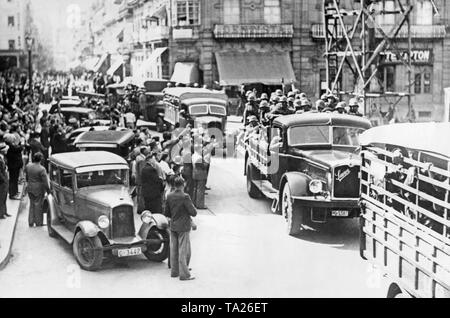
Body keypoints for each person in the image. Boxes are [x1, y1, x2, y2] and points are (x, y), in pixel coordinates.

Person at [164, 176, 197, 281]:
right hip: (183, 226)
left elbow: (166, 213)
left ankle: (174, 272)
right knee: (183, 250)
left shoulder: (169, 196)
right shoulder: (185, 196)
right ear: (183, 185)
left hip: (173, 225)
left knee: (174, 249)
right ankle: (184, 275)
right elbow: (193, 212)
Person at [25, 152, 50, 227]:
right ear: (41, 159)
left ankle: (31, 221)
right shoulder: (42, 169)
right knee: (38, 206)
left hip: (30, 187)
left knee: (32, 204)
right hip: (38, 189)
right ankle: (38, 222)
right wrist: (48, 191)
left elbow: (27, 177)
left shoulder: (28, 166)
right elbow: (45, 182)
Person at [192, 144, 208, 209]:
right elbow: (203, 166)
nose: (202, 150)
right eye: (201, 149)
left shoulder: (193, 155)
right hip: (200, 174)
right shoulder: (199, 157)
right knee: (200, 190)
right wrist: (206, 163)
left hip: (195, 173)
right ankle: (200, 205)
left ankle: (195, 203)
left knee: (195, 189)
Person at [0, 142, 10, 219]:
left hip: (5, 178)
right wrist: (3, 179)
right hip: (2, 181)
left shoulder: (3, 157)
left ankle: (5, 211)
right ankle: (1, 213)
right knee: (2, 197)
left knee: (5, 196)